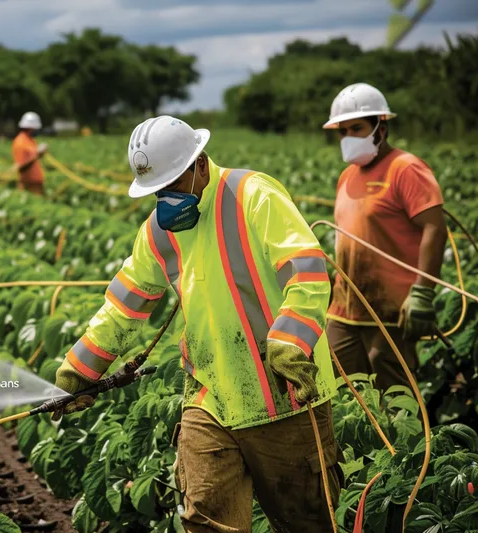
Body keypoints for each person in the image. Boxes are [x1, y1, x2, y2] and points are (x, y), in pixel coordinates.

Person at [53, 115, 342, 532]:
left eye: (173, 184)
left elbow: (307, 273)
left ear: (201, 164)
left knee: (307, 522)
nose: (166, 198)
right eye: (157, 191)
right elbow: (125, 305)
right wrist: (79, 370)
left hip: (284, 393)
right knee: (205, 518)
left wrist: (290, 340)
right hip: (210, 397)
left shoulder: (253, 196)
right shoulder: (159, 231)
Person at [322, 83, 447, 391]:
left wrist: (422, 293)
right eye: (343, 131)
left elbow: (435, 228)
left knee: (394, 393)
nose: (349, 137)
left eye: (357, 128)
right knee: (340, 389)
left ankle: (410, 441)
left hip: (392, 308)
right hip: (345, 308)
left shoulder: (405, 168)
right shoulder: (347, 176)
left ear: (381, 127)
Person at [12, 111, 48, 196]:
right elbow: (21, 167)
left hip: (36, 184)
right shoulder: (20, 142)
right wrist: (38, 155)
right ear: (31, 128)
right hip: (28, 186)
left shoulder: (30, 140)